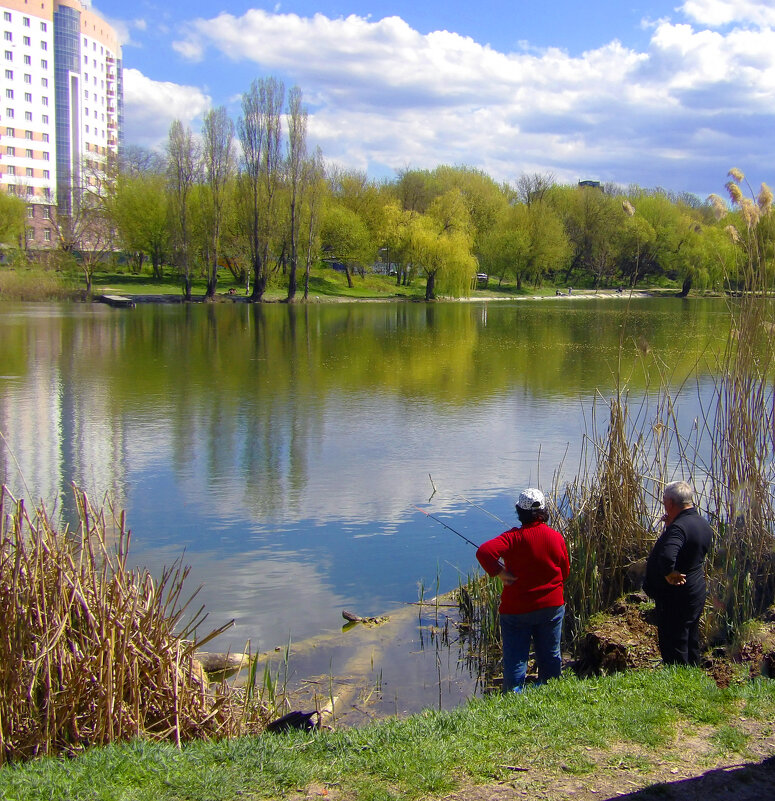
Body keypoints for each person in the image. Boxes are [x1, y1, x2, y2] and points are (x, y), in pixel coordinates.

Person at [476, 488, 570, 693]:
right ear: (544, 511)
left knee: (516, 657)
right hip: (551, 607)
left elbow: (484, 552)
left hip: (516, 610)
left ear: (520, 511)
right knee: (551, 654)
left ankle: (514, 695)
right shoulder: (556, 537)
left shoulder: (512, 538)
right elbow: (565, 572)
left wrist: (499, 571)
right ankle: (550, 690)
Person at [644, 481, 713, 666]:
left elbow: (668, 556)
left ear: (671, 503)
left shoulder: (679, 528)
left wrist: (668, 573)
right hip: (695, 589)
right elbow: (688, 552)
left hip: (676, 595)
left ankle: (678, 679)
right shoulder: (702, 523)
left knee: (674, 640)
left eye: (665, 500)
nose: (664, 503)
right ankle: (692, 675)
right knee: (690, 637)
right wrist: (670, 527)